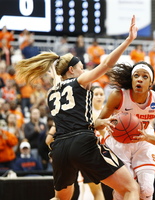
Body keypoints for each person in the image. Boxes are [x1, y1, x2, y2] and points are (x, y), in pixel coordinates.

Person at [15, 15, 140, 200]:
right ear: (72, 70)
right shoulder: (79, 81)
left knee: (60, 198)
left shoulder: (51, 93)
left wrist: (100, 122)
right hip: (82, 143)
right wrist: (129, 40)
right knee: (131, 189)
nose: (85, 71)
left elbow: (73, 117)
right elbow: (106, 64)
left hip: (60, 149)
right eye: (82, 67)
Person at [99, 60, 155, 200]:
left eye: (145, 77)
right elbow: (98, 123)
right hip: (118, 141)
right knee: (125, 190)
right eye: (136, 75)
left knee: (146, 190)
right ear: (131, 80)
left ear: (151, 83)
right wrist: (106, 123)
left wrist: (146, 137)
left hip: (144, 139)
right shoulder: (119, 95)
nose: (140, 79)